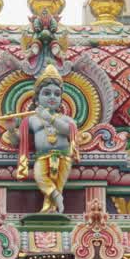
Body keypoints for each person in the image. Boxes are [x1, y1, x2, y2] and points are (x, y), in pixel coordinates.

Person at [14, 64, 79, 214]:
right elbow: (19, 140)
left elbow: (70, 131)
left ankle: (51, 209)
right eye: (47, 93)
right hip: (42, 156)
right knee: (39, 176)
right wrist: (11, 129)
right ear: (37, 99)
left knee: (58, 183)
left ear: (61, 100)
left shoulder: (65, 119)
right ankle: (56, 196)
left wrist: (50, 118)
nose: (52, 97)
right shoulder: (31, 120)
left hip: (63, 156)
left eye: (57, 94)